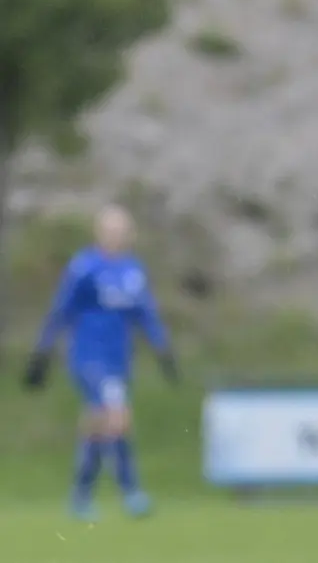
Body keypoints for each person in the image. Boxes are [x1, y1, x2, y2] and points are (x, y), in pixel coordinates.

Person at [22, 204, 179, 521]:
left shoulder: (133, 271)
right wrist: (42, 351)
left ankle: (80, 495)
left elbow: (144, 315)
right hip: (87, 357)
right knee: (118, 415)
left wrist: (164, 350)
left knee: (97, 425)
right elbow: (61, 310)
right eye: (110, 230)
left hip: (118, 359)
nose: (116, 236)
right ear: (99, 232)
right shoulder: (85, 267)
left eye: (121, 230)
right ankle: (131, 491)